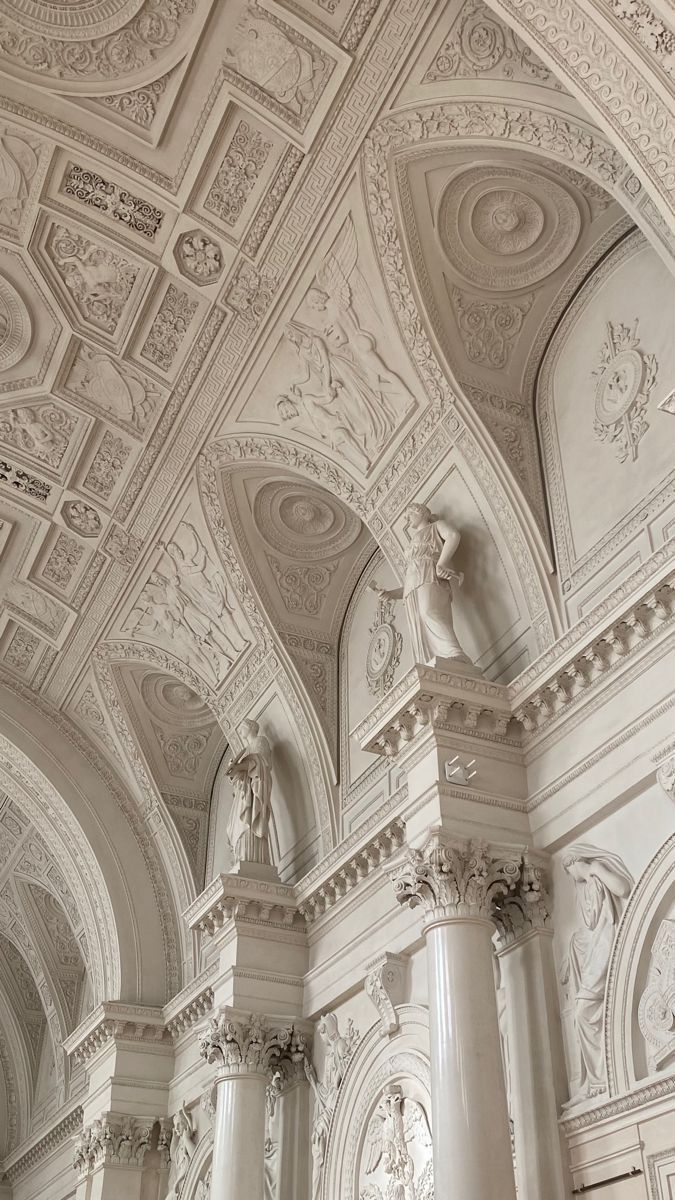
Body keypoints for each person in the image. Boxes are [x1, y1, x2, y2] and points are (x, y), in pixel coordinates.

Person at [561, 845, 634, 1103]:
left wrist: (596, 869)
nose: (570, 877)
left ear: (573, 862)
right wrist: (571, 952)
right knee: (581, 1013)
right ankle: (595, 1080)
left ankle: (600, 1080)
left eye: (568, 870)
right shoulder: (586, 887)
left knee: (582, 1012)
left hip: (606, 946)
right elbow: (590, 928)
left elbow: (624, 889)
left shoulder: (596, 871)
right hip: (596, 946)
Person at [371, 503, 473, 668]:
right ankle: (432, 664)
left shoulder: (436, 527)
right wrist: (390, 594)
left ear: (421, 512)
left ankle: (455, 653)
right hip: (413, 586)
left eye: (409, 515)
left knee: (429, 613)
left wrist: (442, 563)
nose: (407, 520)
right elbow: (409, 583)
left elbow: (453, 536)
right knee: (419, 624)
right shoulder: (413, 542)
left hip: (430, 576)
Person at [226, 719, 273, 865]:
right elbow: (240, 775)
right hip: (244, 792)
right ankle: (241, 857)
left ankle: (251, 857)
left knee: (249, 822)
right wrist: (234, 770)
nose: (240, 731)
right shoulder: (246, 750)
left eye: (242, 727)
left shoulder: (260, 741)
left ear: (250, 727)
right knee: (237, 824)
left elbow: (262, 763)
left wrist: (240, 767)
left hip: (254, 789)